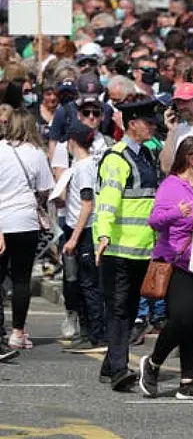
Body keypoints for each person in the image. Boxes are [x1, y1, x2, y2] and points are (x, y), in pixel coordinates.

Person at [139, 137, 193, 402]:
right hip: (176, 261)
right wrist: (176, 212)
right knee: (182, 317)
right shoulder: (171, 185)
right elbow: (154, 221)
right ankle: (153, 363)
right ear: (188, 157)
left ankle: (188, 381)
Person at [95, 97, 162, 391]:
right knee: (121, 310)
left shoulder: (148, 154)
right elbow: (107, 201)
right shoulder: (116, 158)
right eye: (148, 123)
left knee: (130, 307)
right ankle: (120, 370)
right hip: (119, 249)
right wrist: (103, 235)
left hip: (142, 249)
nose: (153, 128)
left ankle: (110, 364)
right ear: (131, 124)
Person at [0, 110, 54, 350]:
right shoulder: (36, 153)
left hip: (1, 220)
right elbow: (46, 189)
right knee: (21, 278)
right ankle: (17, 332)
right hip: (25, 220)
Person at [59, 120, 107, 353]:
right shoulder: (78, 165)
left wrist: (74, 238)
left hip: (85, 230)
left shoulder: (86, 166)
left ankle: (97, 335)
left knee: (89, 284)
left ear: (72, 141)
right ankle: (88, 331)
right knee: (79, 283)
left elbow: (87, 204)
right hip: (75, 227)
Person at [160, 82, 193, 172]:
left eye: (185, 101)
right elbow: (166, 167)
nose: (181, 106)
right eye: (177, 103)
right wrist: (171, 131)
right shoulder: (176, 129)